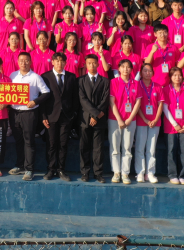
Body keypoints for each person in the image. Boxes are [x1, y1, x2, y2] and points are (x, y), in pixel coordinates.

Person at [8, 52, 51, 180]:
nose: (24, 63)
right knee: (18, 140)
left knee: (29, 141)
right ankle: (19, 165)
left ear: (30, 62)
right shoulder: (12, 75)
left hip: (29, 113)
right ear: (17, 62)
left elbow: (46, 92)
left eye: (26, 60)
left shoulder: (36, 77)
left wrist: (35, 101)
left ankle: (29, 169)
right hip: (14, 112)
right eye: (21, 60)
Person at [40, 52, 78, 181]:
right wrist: (43, 116)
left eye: (62, 61)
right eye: (57, 61)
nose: (59, 63)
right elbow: (42, 98)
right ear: (52, 62)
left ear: (65, 63)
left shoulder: (71, 77)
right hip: (50, 116)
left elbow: (75, 98)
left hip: (66, 117)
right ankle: (51, 169)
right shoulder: (45, 77)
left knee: (63, 144)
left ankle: (61, 169)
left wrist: (73, 114)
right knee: (51, 144)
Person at [108, 59, 142, 184]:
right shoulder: (114, 82)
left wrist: (129, 118)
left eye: (128, 67)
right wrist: (119, 119)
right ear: (119, 69)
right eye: (123, 67)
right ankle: (116, 172)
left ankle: (125, 173)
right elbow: (112, 102)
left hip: (130, 120)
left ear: (131, 69)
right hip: (114, 119)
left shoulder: (136, 83)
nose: (125, 69)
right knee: (115, 147)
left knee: (127, 147)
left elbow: (138, 102)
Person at [78, 54, 109, 182]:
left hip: (100, 119)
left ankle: (98, 173)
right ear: (86, 65)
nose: (91, 65)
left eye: (94, 63)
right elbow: (82, 100)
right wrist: (94, 114)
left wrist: (96, 116)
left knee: (98, 148)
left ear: (98, 64)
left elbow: (105, 100)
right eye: (89, 63)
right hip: (85, 119)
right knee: (84, 147)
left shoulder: (105, 81)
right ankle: (85, 172)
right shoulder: (80, 81)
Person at [164, 66, 184, 184]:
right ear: (170, 77)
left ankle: (182, 175)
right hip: (171, 126)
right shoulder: (166, 90)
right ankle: (172, 175)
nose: (177, 77)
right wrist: (175, 124)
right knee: (171, 150)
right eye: (175, 75)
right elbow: (165, 108)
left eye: (179, 75)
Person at [134, 63, 163, 184]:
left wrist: (155, 119)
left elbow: (161, 105)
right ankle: (140, 172)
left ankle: (150, 172)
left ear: (153, 73)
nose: (147, 73)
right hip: (141, 120)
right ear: (141, 73)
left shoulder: (157, 86)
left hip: (155, 121)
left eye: (150, 71)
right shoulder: (137, 85)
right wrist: (145, 120)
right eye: (145, 71)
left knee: (151, 149)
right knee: (140, 147)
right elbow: (137, 105)